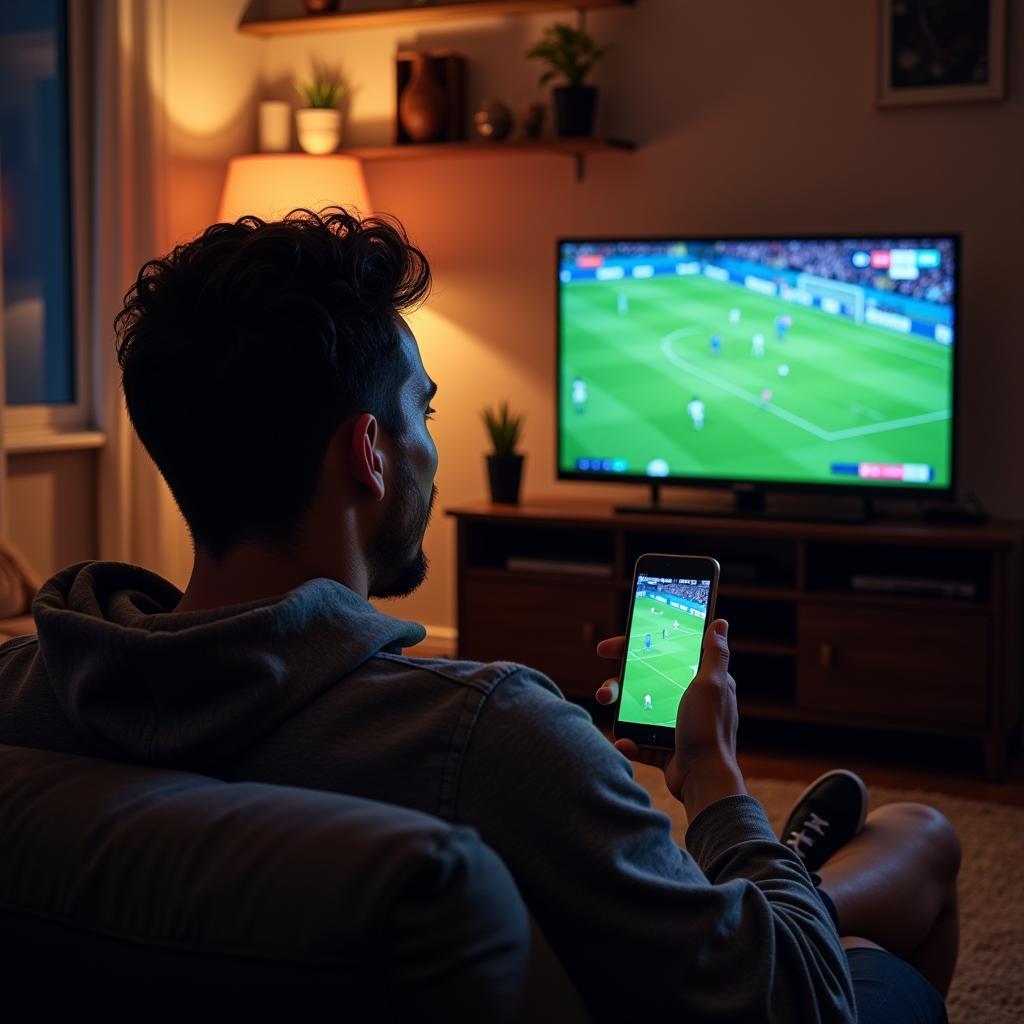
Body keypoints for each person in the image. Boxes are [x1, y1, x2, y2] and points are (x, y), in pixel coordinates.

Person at [0, 209, 958, 1023]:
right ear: (369, 454)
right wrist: (710, 776)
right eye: (425, 410)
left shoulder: (20, 689)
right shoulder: (495, 737)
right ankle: (774, 869)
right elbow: (796, 1000)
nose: (434, 446)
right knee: (902, 876)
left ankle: (780, 877)